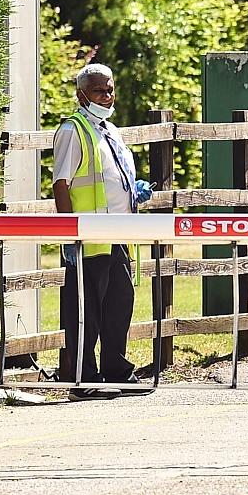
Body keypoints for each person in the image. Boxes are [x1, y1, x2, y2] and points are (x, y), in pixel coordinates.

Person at [53, 62, 152, 401]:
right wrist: (70, 232)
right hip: (89, 239)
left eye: (110, 89)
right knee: (85, 311)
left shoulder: (110, 130)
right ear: (81, 95)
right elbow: (61, 184)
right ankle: (83, 379)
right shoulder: (72, 130)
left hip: (118, 236)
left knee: (118, 305)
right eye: (99, 90)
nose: (107, 96)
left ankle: (116, 370)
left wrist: (132, 189)